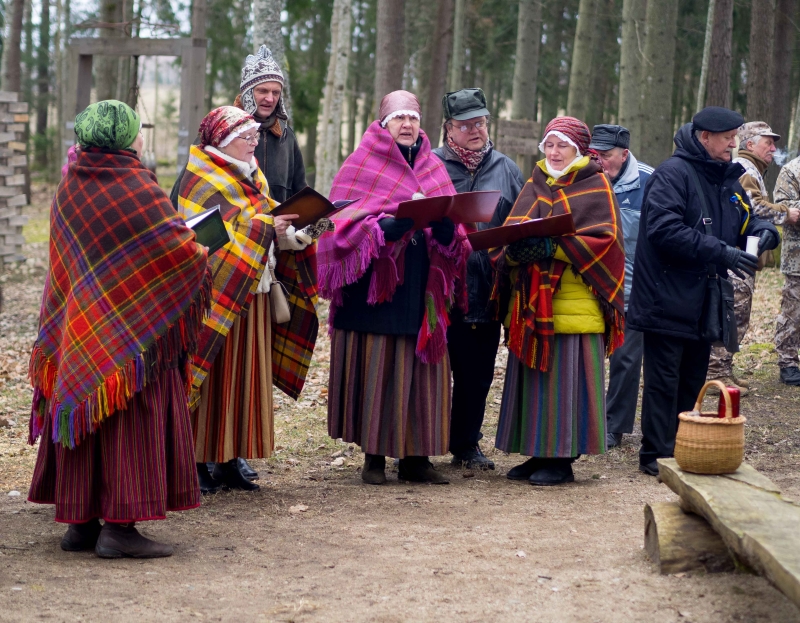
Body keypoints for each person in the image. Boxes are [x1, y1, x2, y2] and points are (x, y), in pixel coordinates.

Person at [28, 100, 211, 558]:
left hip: (80, 332)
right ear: (127, 137)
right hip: (131, 335)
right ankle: (120, 528)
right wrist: (200, 249)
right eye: (138, 130)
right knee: (130, 417)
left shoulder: (68, 187)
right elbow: (178, 250)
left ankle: (81, 525)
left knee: (85, 409)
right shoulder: (136, 186)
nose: (141, 137)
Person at [319, 90, 471, 485]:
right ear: (384, 124)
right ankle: (374, 457)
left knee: (421, 370)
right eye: (399, 118)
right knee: (379, 368)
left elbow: (455, 225)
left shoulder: (433, 166)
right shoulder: (361, 163)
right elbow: (335, 224)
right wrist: (378, 229)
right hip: (375, 291)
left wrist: (444, 228)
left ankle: (416, 458)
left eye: (413, 119)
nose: (407, 125)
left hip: (421, 286)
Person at [628, 107, 780, 477]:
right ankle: (657, 455)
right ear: (703, 137)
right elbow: (664, 231)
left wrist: (763, 231)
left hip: (702, 299)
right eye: (727, 136)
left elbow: (746, 215)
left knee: (693, 377)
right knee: (664, 381)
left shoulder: (725, 177)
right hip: (665, 297)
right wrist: (722, 251)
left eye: (735, 136)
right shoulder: (671, 174)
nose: (734, 142)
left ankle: (685, 446)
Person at [178, 106, 320, 493]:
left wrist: (296, 232)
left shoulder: (252, 174)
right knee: (211, 376)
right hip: (217, 296)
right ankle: (196, 460)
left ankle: (228, 459)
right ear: (223, 141)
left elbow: (262, 224)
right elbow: (203, 240)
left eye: (255, 136)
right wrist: (265, 227)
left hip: (253, 289)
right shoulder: (200, 178)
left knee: (242, 379)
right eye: (247, 137)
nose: (254, 143)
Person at [492, 116, 626, 486]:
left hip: (576, 302)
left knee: (568, 383)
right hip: (534, 302)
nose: (553, 152)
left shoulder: (595, 184)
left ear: (579, 149)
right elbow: (512, 235)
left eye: (561, 145)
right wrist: (517, 250)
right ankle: (538, 452)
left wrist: (555, 245)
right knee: (536, 380)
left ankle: (563, 459)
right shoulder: (535, 182)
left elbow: (606, 241)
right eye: (548, 145)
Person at [432, 88, 524, 470]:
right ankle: (422, 444)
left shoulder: (506, 168)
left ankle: (466, 444)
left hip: (487, 290)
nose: (476, 130)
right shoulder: (431, 165)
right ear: (448, 128)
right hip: (439, 290)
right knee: (433, 373)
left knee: (477, 373)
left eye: (481, 122)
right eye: (466, 124)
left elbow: (521, 221)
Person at [705, 122, 787, 394]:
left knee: (738, 315)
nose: (774, 149)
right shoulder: (745, 169)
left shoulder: (752, 170)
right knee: (732, 314)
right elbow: (754, 209)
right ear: (749, 144)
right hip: (736, 259)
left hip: (741, 258)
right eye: (768, 143)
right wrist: (787, 213)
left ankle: (724, 368)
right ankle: (715, 373)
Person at [171, 45, 305, 205]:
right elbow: (185, 187)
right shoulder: (220, 130)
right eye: (263, 91)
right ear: (248, 93)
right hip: (229, 228)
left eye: (275, 92)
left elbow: (300, 194)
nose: (270, 99)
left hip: (278, 229)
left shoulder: (286, 136)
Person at [589, 124, 653, 449]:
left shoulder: (649, 182)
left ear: (624, 154)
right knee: (586, 356)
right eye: (594, 154)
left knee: (625, 360)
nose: (599, 161)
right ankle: (585, 419)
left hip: (632, 291)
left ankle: (614, 426)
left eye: (606, 155)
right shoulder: (584, 178)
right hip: (589, 289)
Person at [773, 151, 800, 385]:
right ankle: (788, 363)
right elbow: (783, 208)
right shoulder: (792, 170)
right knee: (794, 312)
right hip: (797, 259)